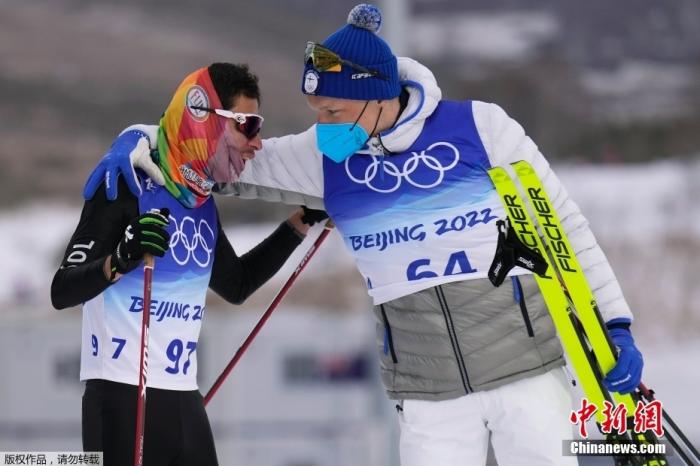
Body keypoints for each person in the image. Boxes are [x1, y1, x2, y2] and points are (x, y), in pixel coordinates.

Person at [82, 5, 645, 465]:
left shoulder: (481, 127)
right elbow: (208, 151)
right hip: (428, 396)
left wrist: (615, 323)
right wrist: (133, 139)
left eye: (333, 109)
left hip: (525, 371)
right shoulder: (322, 159)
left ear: (377, 97)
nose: (322, 125)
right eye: (314, 111)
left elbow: (564, 226)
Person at [51, 63, 321, 466]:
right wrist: (120, 260)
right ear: (204, 121)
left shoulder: (199, 202)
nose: (257, 143)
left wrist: (299, 225)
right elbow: (62, 290)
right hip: (121, 398)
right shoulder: (125, 186)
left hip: (183, 397)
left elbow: (237, 284)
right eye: (246, 125)